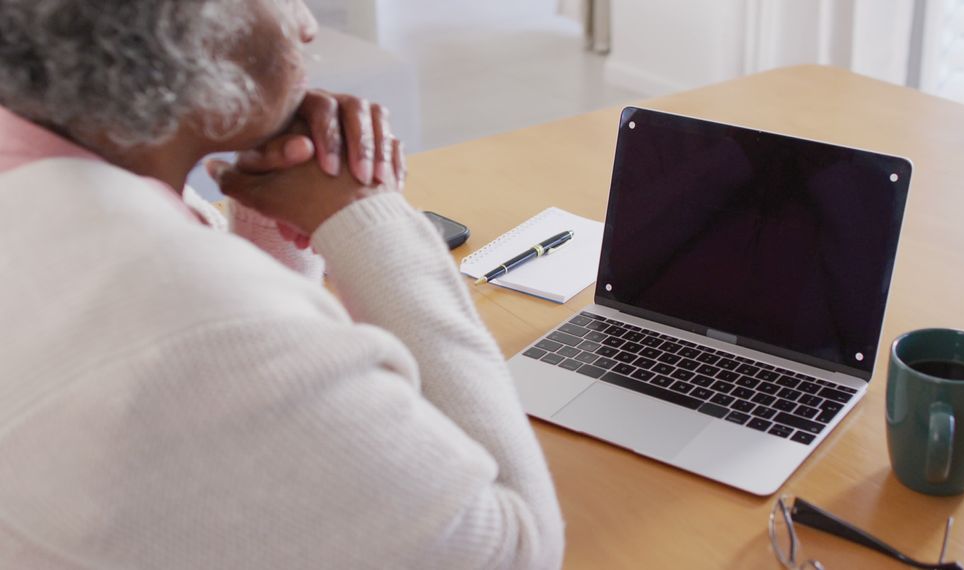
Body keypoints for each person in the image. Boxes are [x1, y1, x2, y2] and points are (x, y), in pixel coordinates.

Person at [0, 1, 564, 568]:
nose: (307, 23)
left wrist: (273, 212)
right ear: (170, 31)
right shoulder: (185, 317)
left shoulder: (65, 187)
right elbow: (511, 550)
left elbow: (237, 386)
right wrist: (366, 213)